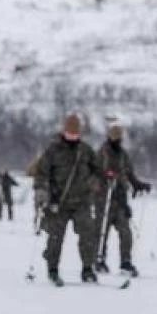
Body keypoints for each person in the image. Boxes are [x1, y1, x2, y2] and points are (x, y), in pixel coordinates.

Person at [33, 113, 102, 286]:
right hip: (58, 202)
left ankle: (88, 269)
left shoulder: (85, 151)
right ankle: (52, 270)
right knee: (55, 238)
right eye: (70, 133)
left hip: (82, 201)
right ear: (64, 131)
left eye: (75, 134)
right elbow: (41, 173)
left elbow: (97, 170)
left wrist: (94, 181)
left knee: (88, 235)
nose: (72, 136)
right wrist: (41, 190)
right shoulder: (53, 150)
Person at [94, 124, 151, 276]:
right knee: (101, 232)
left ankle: (125, 262)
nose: (117, 140)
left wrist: (138, 185)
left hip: (120, 200)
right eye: (115, 137)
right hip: (103, 199)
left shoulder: (123, 155)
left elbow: (129, 174)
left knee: (126, 232)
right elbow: (94, 171)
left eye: (119, 138)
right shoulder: (102, 153)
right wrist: (105, 176)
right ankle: (98, 260)